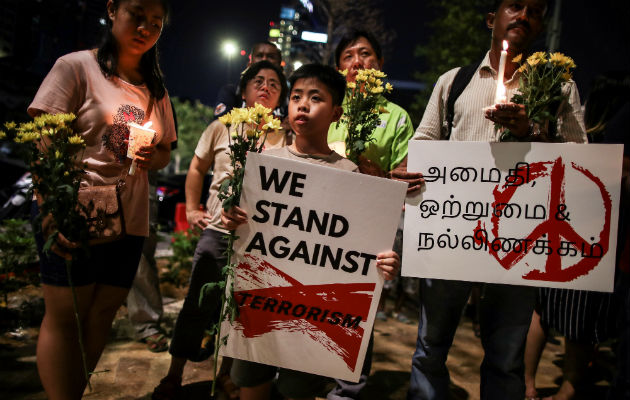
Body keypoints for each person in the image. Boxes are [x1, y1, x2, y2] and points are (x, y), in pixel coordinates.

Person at [392, 1, 587, 399]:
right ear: (490, 19)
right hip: (453, 237)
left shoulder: (559, 88)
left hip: (520, 241)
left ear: (540, 26)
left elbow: (581, 158)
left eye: (535, 10)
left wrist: (532, 130)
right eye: (514, 5)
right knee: (431, 348)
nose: (524, 15)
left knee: (506, 357)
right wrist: (409, 171)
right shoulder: (455, 81)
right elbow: (425, 144)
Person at [221, 63, 401, 400]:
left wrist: (383, 262)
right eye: (296, 96)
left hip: (314, 317)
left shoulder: (350, 173)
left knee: (297, 390)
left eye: (315, 98)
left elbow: (359, 245)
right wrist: (232, 216)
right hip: (259, 304)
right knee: (251, 383)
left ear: (336, 112)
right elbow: (241, 225)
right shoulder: (264, 162)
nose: (302, 104)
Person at [27, 0, 175, 398]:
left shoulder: (155, 86)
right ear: (112, 10)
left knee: (101, 314)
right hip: (75, 209)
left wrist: (151, 155)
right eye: (137, 15)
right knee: (65, 316)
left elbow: (164, 150)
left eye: (155, 22)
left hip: (129, 216)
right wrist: (52, 211)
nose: (145, 27)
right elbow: (43, 141)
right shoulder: (76, 67)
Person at [152, 60, 289, 400]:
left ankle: (226, 374)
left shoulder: (286, 136)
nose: (266, 87)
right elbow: (197, 167)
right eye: (259, 81)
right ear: (243, 91)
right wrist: (195, 208)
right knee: (198, 302)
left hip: (260, 241)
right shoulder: (222, 127)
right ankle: (173, 374)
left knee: (241, 311)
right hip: (217, 232)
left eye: (274, 83)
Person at [524, 71, 630, 400]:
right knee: (580, 321)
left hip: (560, 231)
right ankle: (567, 390)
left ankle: (527, 386)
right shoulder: (612, 142)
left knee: (542, 309)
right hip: (594, 238)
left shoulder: (576, 136)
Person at [326, 29, 416, 400]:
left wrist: (375, 172)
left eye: (366, 55)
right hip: (319, 225)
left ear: (379, 65)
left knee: (356, 308)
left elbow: (407, 178)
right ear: (338, 67)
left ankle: (348, 388)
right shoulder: (326, 107)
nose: (358, 62)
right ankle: (307, 374)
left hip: (368, 229)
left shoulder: (396, 117)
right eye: (348, 56)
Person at [213, 41, 283, 119]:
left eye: (271, 56)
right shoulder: (232, 91)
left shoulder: (290, 97)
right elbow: (221, 122)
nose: (264, 59)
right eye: (259, 56)